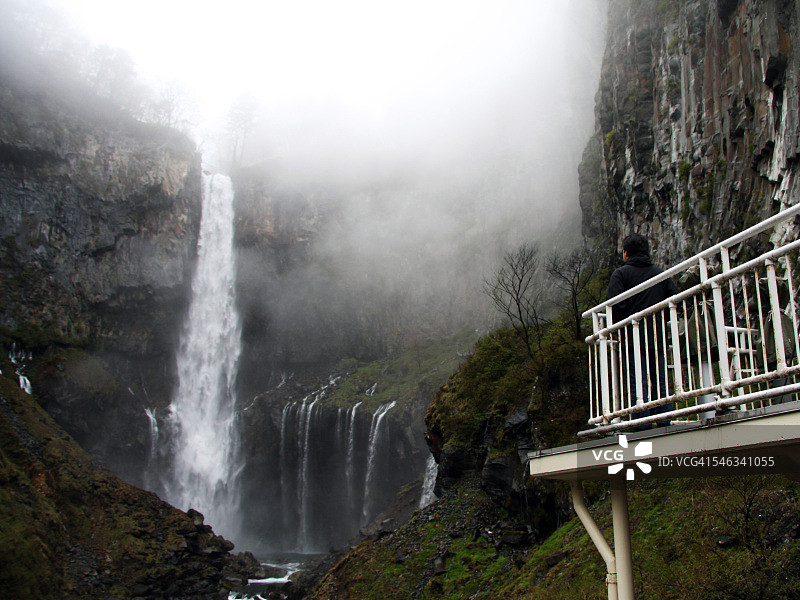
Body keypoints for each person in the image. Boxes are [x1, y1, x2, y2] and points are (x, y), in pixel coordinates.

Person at [606, 234, 678, 427]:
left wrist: (620, 325)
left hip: (632, 338)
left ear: (626, 253)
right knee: (660, 380)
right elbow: (673, 299)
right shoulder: (660, 273)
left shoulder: (621, 274)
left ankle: (642, 423)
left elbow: (615, 306)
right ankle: (663, 419)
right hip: (657, 334)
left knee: (638, 381)